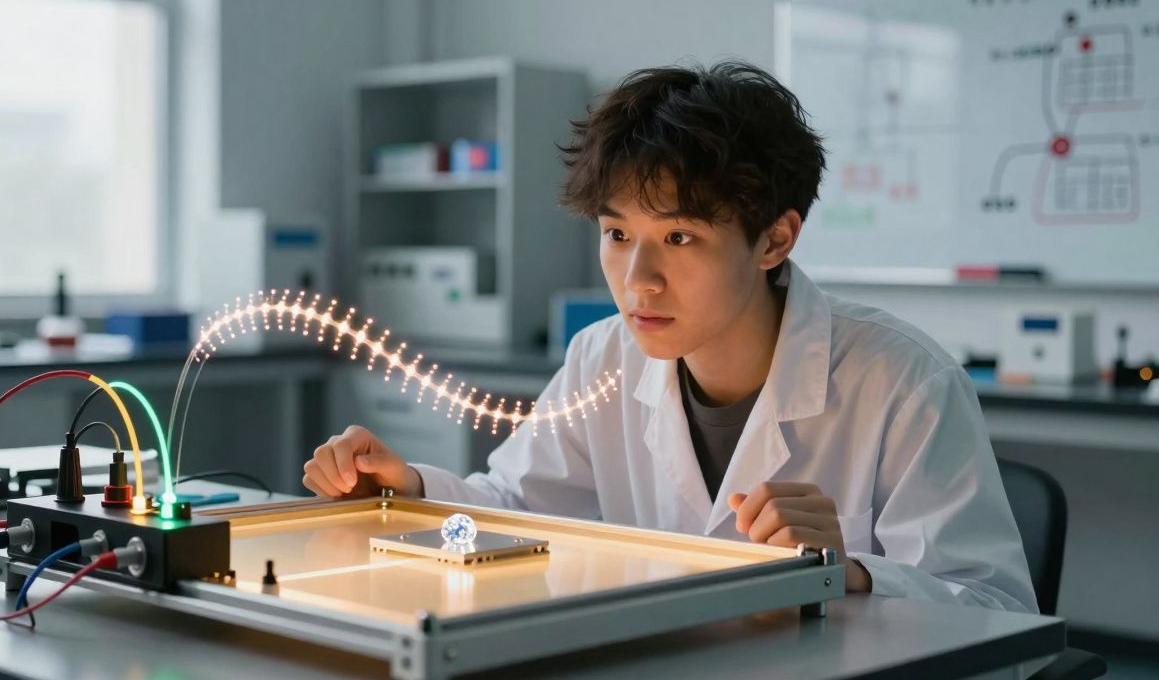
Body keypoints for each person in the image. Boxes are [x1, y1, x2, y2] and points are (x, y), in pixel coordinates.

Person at [303, 61, 1037, 612]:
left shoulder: (904, 381)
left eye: (679, 237)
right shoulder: (602, 356)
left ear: (775, 240)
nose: (638, 280)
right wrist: (409, 490)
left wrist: (852, 573)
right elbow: (516, 503)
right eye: (617, 234)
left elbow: (997, 611)